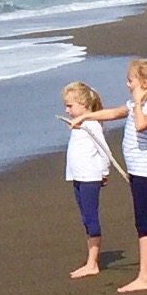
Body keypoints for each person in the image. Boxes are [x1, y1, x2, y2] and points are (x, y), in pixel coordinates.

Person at [85, 59, 147, 293]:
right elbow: (114, 113)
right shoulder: (139, 104)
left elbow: (141, 125)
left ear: (144, 83)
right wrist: (85, 117)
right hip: (137, 171)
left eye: (130, 81)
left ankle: (144, 277)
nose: (127, 85)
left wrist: (137, 103)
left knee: (143, 224)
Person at [59, 81, 111, 277]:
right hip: (78, 176)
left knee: (91, 217)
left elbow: (104, 150)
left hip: (90, 176)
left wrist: (104, 171)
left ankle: (92, 263)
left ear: (83, 104)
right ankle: (91, 259)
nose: (67, 110)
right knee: (85, 218)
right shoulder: (78, 125)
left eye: (70, 106)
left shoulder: (92, 125)